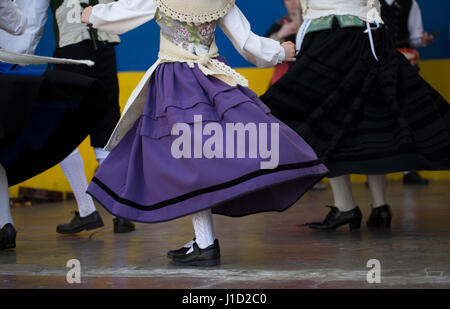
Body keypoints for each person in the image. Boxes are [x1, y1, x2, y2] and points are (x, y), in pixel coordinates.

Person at [81, 0, 328, 266]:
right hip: (211, 78)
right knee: (208, 154)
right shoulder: (220, 2)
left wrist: (93, 15)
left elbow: (124, 11)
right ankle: (204, 240)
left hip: (175, 83)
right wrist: (277, 52)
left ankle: (205, 243)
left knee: (190, 162)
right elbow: (245, 40)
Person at [261, 0, 450, 231]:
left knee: (323, 117)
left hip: (330, 32)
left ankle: (345, 206)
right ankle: (381, 207)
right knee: (371, 116)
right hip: (371, 35)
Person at [0, 0, 135, 234]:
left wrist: (17, 57)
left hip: (72, 51)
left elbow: (26, 22)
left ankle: (86, 210)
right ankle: (119, 212)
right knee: (107, 128)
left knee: (57, 126)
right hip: (105, 49)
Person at [380, 0, 434, 185]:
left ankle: (409, 170)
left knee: (407, 114)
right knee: (380, 116)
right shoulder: (369, 2)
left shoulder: (410, 3)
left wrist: (423, 40)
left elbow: (415, 37)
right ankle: (378, 171)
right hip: (376, 64)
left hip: (403, 63)